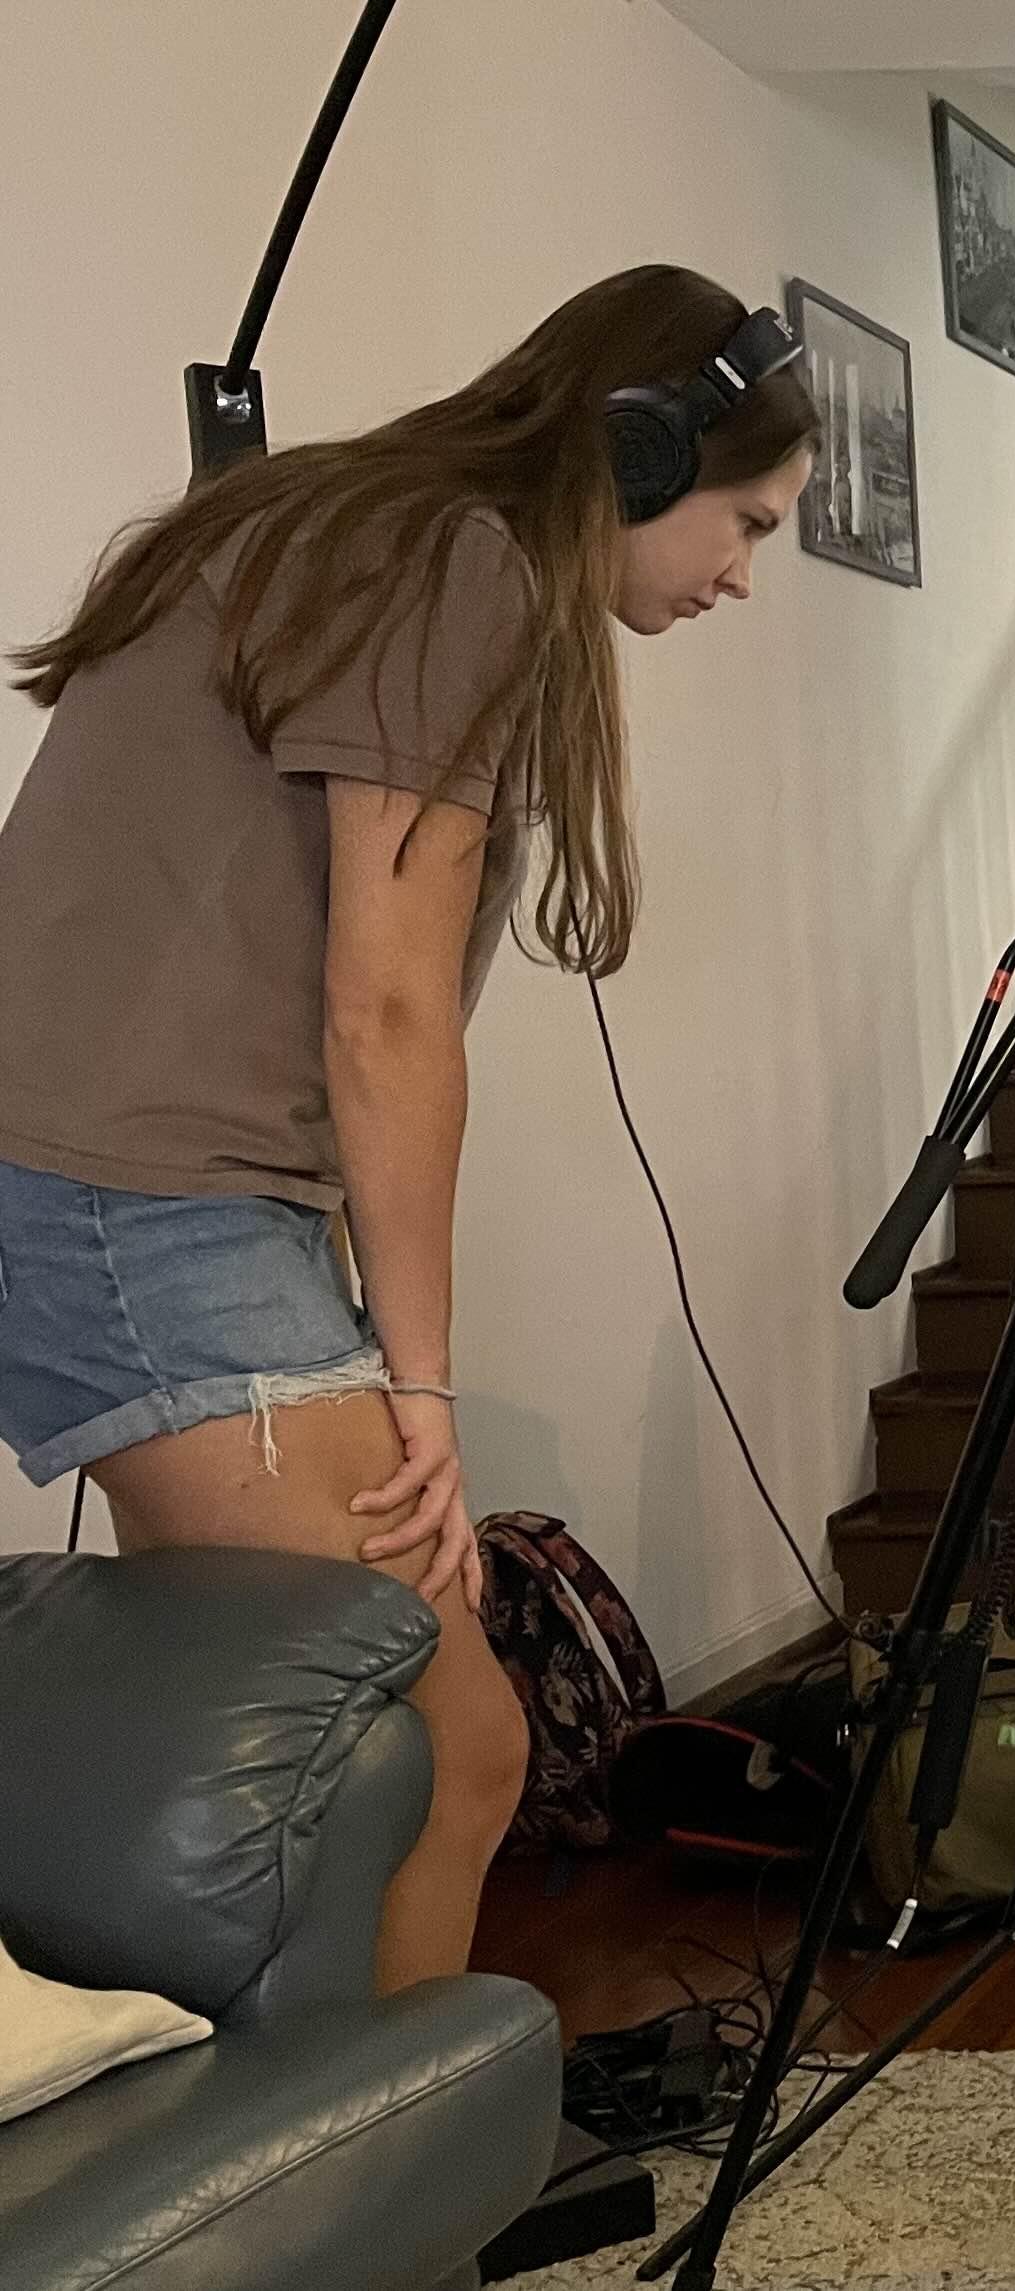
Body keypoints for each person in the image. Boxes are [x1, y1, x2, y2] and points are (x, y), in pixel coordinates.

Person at [0, 268, 817, 1990]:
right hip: (139, 1206)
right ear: (638, 450)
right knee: (451, 1737)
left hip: (126, 1193)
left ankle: (241, 2127)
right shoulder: (457, 562)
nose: (744, 573)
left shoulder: (352, 524)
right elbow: (385, 1007)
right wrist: (419, 1384)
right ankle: (372, 2151)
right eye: (746, 521)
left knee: (246, 1751)